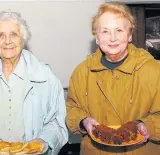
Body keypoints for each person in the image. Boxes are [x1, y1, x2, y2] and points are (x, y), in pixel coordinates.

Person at [0, 11, 68, 155]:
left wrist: (42, 140)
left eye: (14, 34)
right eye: (1, 35)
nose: (7, 41)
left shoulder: (46, 76)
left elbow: (57, 120)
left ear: (22, 39)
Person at [66, 1, 160, 155]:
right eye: (105, 31)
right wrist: (83, 121)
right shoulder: (81, 72)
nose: (113, 38)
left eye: (119, 30)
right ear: (96, 37)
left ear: (129, 35)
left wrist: (146, 125)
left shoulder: (154, 70)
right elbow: (72, 109)